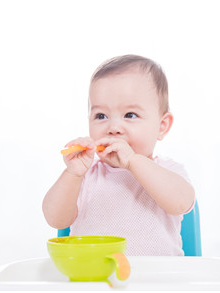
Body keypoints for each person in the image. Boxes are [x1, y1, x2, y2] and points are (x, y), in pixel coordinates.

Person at [42, 55, 195, 256]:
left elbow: (182, 202)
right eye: (101, 116)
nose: (113, 128)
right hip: (95, 278)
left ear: (162, 126)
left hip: (156, 279)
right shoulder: (86, 176)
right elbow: (55, 219)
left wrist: (132, 161)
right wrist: (72, 174)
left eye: (130, 115)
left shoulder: (167, 171)